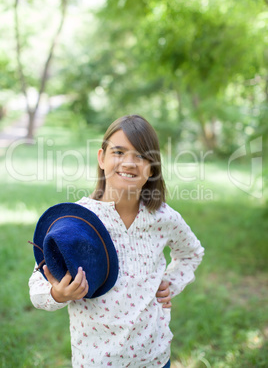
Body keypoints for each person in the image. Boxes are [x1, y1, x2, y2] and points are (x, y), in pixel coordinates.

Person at [29, 114, 204, 368]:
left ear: (153, 167)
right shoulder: (76, 221)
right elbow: (36, 284)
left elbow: (191, 253)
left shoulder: (163, 217)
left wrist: (170, 283)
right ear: (102, 158)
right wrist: (57, 293)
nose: (130, 163)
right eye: (119, 152)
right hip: (98, 360)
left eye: (142, 156)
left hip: (154, 358)